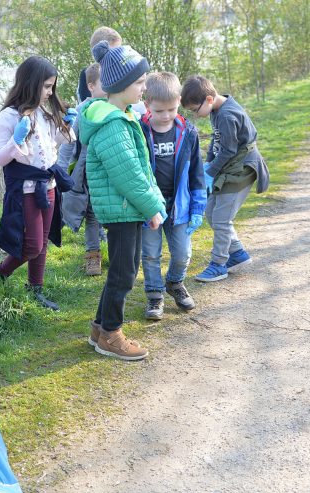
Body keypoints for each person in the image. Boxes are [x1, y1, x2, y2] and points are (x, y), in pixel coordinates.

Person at [80, 41, 166, 361]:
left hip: (126, 207)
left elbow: (140, 169)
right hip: (121, 208)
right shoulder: (111, 125)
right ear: (120, 86)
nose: (144, 88)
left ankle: (100, 327)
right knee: (124, 272)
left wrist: (152, 202)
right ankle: (111, 336)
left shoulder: (122, 115)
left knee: (124, 267)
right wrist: (151, 208)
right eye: (140, 83)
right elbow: (128, 176)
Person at [0, 55, 76, 311]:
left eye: (52, 87)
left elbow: (60, 142)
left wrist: (66, 124)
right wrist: (17, 139)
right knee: (32, 244)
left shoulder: (43, 112)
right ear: (31, 83)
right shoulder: (8, 117)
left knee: (43, 241)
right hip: (26, 190)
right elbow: (0, 158)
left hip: (48, 186)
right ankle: (0, 273)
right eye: (47, 86)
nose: (51, 92)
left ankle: (35, 288)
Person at [181, 75, 269, 282]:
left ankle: (219, 264)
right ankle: (237, 254)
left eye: (195, 110)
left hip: (241, 169)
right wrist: (209, 161)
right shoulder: (217, 110)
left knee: (221, 220)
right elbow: (217, 140)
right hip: (228, 166)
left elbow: (228, 151)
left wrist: (210, 173)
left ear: (209, 99)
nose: (195, 114)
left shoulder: (228, 116)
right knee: (211, 213)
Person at [139, 72, 206, 319]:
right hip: (150, 206)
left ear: (179, 101)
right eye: (159, 111)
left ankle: (174, 283)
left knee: (182, 254)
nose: (166, 116)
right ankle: (155, 295)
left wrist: (198, 207)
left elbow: (197, 172)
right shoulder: (139, 131)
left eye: (171, 109)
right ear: (147, 105)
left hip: (180, 206)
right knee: (151, 253)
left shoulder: (188, 132)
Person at [57, 62, 105, 276]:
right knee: (92, 215)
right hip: (87, 173)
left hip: (111, 172)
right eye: (105, 84)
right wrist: (60, 169)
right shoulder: (80, 112)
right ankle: (93, 256)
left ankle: (121, 252)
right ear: (91, 86)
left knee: (113, 214)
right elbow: (68, 143)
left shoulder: (114, 108)